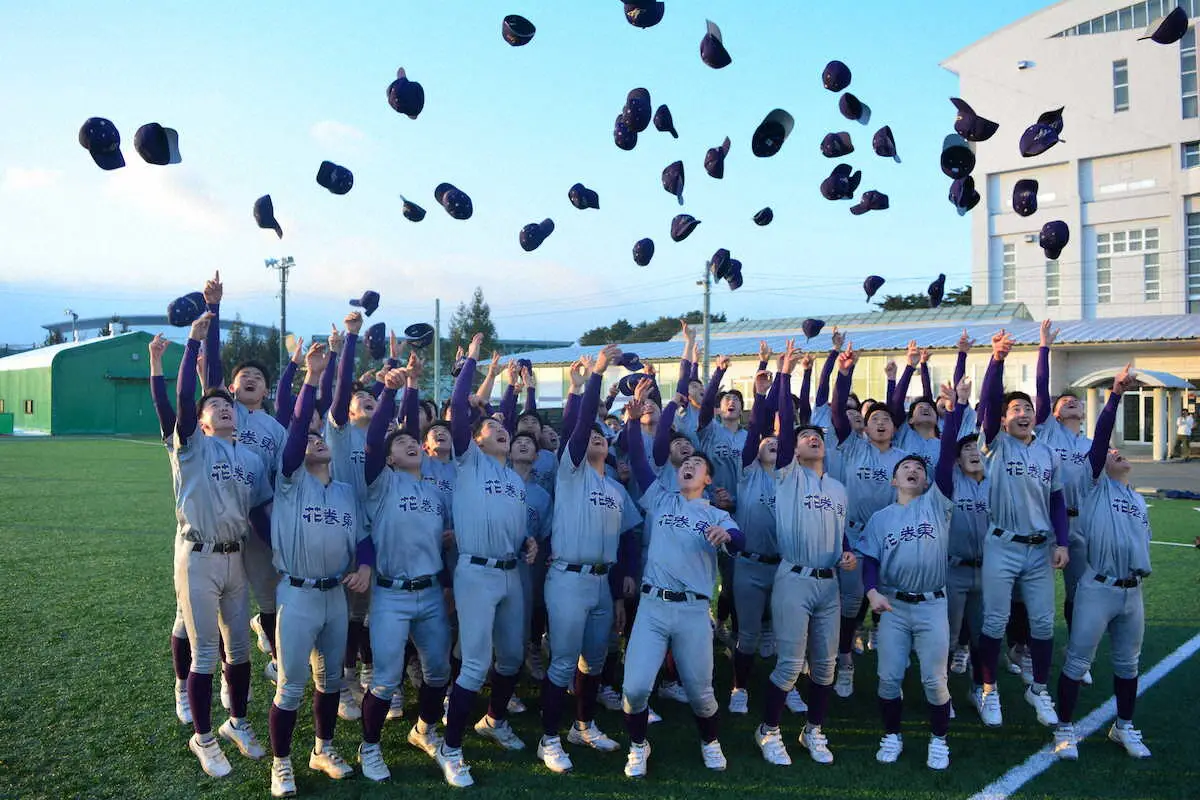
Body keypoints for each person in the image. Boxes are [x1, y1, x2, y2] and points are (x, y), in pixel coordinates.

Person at [621, 378, 745, 778]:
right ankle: (638, 746)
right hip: (653, 606)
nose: (688, 466)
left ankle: (710, 742)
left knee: (701, 692)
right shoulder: (660, 498)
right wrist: (634, 420)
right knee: (635, 688)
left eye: (697, 465)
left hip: (692, 611)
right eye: (685, 464)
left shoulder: (717, 513)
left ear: (708, 479)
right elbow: (639, 461)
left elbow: (738, 541)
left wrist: (728, 535)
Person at [265, 343, 372, 797]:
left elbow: (363, 537)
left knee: (331, 681)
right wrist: (310, 378)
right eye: (310, 440)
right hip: (298, 594)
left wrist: (365, 566)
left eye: (320, 438)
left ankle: (322, 749)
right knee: (291, 687)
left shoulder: (345, 491)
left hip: (335, 595)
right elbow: (294, 436)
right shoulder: (290, 482)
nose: (316, 441)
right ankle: (281, 764)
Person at [172, 312, 271, 777]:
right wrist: (194, 342)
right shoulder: (194, 446)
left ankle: (237, 723)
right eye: (214, 405)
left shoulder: (250, 458)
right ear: (200, 421)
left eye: (227, 404)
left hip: (236, 559)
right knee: (206, 653)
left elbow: (259, 512)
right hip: (199, 557)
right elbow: (183, 398)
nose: (224, 407)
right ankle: (204, 737)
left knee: (241, 651)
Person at [438, 333, 538, 788]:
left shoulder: (515, 480)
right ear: (476, 441)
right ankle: (451, 748)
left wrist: (527, 543)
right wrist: (474, 363)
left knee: (512, 656)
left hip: (511, 572)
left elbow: (511, 527)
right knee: (476, 663)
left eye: (505, 428)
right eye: (492, 427)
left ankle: (494, 720)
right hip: (476, 571)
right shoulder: (469, 462)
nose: (502, 429)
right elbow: (460, 409)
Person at [537, 344, 639, 773]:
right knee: (563, 661)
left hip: (600, 581)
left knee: (594, 660)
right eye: (590, 436)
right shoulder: (571, 472)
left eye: (602, 436)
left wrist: (619, 591)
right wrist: (594, 375)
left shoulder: (616, 488)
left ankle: (583, 725)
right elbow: (578, 429)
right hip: (567, 577)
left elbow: (627, 538)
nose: (595, 437)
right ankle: (548, 739)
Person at [859, 371, 968, 771]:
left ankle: (939, 740)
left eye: (919, 468)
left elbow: (947, 454)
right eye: (905, 466)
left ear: (925, 480)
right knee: (889, 677)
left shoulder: (937, 503)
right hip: (893, 606)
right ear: (894, 479)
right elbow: (870, 561)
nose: (913, 469)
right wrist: (871, 591)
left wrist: (956, 409)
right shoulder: (881, 518)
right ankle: (892, 734)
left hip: (932, 606)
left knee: (934, 680)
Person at [755, 341, 854, 766]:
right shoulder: (788, 477)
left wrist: (846, 554)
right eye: (805, 437)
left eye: (818, 437)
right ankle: (769, 730)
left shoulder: (838, 488)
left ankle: (814, 730)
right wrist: (785, 373)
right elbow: (786, 423)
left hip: (829, 583)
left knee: (826, 667)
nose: (813, 438)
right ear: (793, 449)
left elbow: (838, 533)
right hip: (794, 579)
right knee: (791, 664)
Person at [356, 366, 454, 781]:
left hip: (430, 592)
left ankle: (424, 730)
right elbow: (375, 439)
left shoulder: (434, 492)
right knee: (385, 679)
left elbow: (438, 544)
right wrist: (394, 392)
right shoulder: (381, 483)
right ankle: (370, 747)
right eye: (402, 443)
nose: (411, 444)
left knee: (439, 672)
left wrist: (446, 582)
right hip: (391, 595)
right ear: (389, 458)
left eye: (415, 442)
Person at [1053, 365, 1153, 761]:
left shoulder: (1138, 499)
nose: (1115, 452)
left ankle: (1123, 726)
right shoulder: (1094, 488)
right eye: (1110, 452)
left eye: (1118, 451)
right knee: (1078, 661)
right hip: (1098, 588)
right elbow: (1099, 442)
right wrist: (1116, 395)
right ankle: (1064, 728)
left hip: (1133, 592)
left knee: (1128, 664)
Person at [973, 329, 1070, 729]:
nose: (1023, 412)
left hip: (1039, 549)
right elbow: (989, 400)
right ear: (1003, 418)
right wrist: (997, 359)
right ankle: (988, 690)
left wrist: (1062, 542)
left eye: (1027, 407)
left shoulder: (1047, 452)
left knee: (1043, 622)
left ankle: (1039, 689)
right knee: (994, 621)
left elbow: (1057, 500)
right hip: (1002, 545)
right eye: (1014, 408)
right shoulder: (995, 443)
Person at [830, 339, 909, 698]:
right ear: (864, 426)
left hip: (890, 540)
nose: (880, 422)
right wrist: (844, 373)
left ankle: (890, 665)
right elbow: (836, 411)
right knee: (850, 605)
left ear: (894, 427)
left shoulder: (903, 458)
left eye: (886, 419)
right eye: (874, 418)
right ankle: (845, 660)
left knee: (889, 604)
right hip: (855, 538)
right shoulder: (853, 448)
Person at [1033, 320, 1094, 685]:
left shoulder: (1092, 445)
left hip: (1079, 525)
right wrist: (1044, 347)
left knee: (1079, 594)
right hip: (1044, 521)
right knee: (1031, 594)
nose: (1071, 402)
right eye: (1064, 401)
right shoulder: (1047, 431)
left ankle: (1076, 652)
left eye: (1076, 401)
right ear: (1053, 414)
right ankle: (1023, 648)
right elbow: (1042, 389)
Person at [729, 368, 782, 716]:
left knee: (784, 633)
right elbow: (753, 436)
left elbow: (786, 431)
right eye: (766, 444)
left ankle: (787, 687)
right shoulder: (748, 474)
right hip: (749, 565)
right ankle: (739, 687)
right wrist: (759, 396)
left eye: (776, 444)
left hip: (783, 566)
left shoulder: (790, 477)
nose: (771, 445)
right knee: (748, 634)